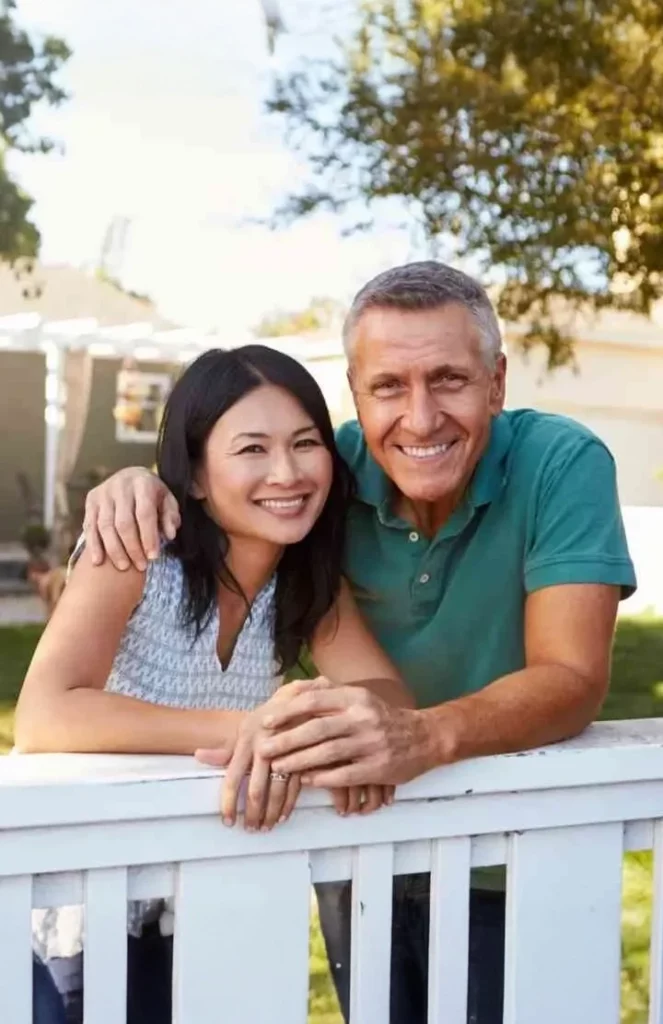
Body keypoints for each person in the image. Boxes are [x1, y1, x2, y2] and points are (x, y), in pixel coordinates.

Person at [80, 262, 637, 1024]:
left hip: (518, 850)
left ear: (496, 383)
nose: (419, 418)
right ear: (355, 391)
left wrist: (419, 734)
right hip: (359, 837)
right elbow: (227, 468)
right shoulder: (323, 473)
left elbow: (571, 675)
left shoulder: (559, 463)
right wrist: (133, 482)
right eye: (387, 387)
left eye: (448, 379)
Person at [15, 344, 412, 1024]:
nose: (286, 472)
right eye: (251, 449)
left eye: (305, 442)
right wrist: (249, 731)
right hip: (89, 905)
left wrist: (309, 719)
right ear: (194, 475)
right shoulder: (136, 551)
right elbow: (45, 715)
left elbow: (391, 698)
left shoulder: (305, 582)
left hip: (217, 892)